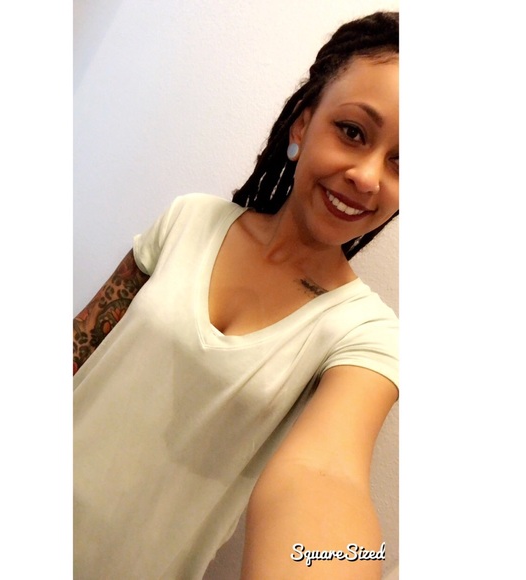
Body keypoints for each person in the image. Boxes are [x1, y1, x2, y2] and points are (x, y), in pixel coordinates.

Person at [73, 11, 399, 580]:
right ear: (302, 126)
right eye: (352, 132)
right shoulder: (189, 220)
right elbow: (80, 346)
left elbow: (329, 475)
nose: (368, 176)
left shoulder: (367, 335)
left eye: (405, 162)